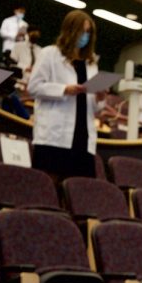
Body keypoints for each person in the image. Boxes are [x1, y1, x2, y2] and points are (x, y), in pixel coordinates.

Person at [27, 10, 105, 180]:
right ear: (70, 30)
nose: (85, 36)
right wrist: (64, 90)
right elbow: (33, 88)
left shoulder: (91, 63)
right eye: (82, 31)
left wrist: (100, 98)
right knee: (48, 187)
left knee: (79, 194)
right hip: (54, 136)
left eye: (88, 32)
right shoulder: (50, 54)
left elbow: (95, 108)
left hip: (83, 138)